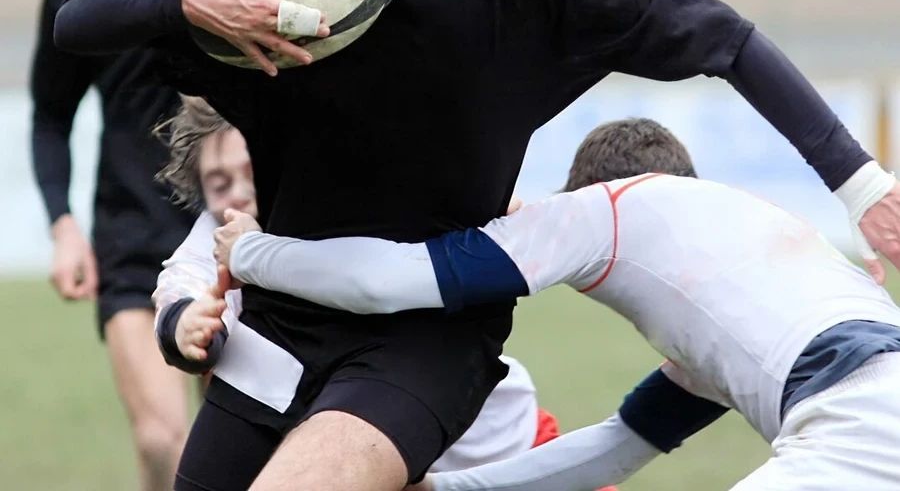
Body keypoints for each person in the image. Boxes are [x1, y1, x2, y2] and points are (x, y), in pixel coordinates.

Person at [51, 0, 900, 489]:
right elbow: (83, 16)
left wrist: (860, 186)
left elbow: (727, 39)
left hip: (427, 345)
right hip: (273, 341)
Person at [214, 117, 900, 491]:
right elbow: (614, 451)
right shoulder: (740, 254)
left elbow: (386, 281)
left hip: (853, 424)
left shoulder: (611, 210)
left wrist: (251, 252)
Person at [150, 97, 601, 478]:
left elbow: (502, 209)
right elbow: (182, 279)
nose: (238, 194)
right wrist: (184, 321)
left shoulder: (354, 207)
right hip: (362, 464)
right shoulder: (218, 236)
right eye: (218, 182)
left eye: (251, 172)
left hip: (501, 454)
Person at [28, 0, 220, 490]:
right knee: (165, 441)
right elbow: (50, 117)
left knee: (241, 447)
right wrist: (63, 227)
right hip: (133, 243)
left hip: (242, 240)